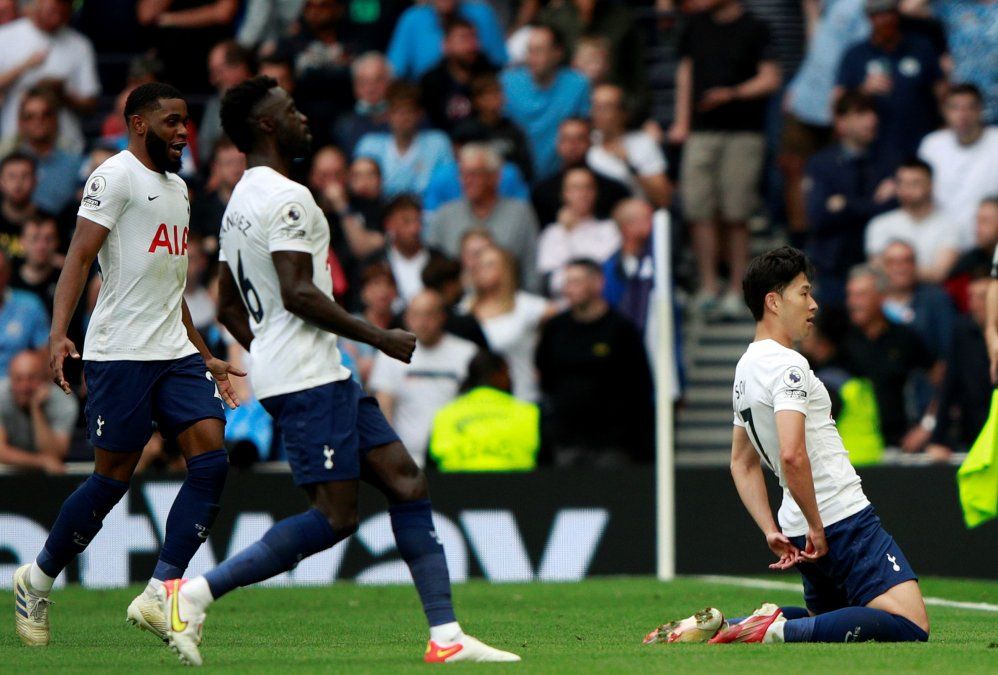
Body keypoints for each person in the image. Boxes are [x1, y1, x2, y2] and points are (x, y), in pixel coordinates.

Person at [160, 75, 519, 666]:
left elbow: (228, 305)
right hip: (307, 376)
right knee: (335, 515)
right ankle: (193, 595)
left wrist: (269, 349)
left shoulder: (237, 203)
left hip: (310, 369)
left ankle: (447, 637)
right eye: (291, 110)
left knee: (405, 480)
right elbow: (300, 293)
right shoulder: (288, 198)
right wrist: (380, 336)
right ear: (267, 125)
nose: (303, 117)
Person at [12, 83, 243, 649]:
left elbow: (171, 282)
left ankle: (160, 591)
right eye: (171, 122)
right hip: (121, 353)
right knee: (112, 480)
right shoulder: (114, 177)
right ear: (138, 125)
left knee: (212, 461)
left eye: (186, 122)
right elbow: (80, 256)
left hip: (174, 351)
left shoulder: (181, 189)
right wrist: (60, 332)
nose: (184, 132)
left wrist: (204, 350)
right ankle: (36, 578)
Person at [648, 246, 929, 645]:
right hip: (837, 515)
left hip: (797, 523)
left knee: (834, 619)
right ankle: (772, 630)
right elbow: (791, 453)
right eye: (803, 293)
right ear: (773, 301)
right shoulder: (788, 365)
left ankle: (725, 626)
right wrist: (817, 525)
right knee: (911, 623)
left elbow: (741, 464)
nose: (813, 305)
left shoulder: (744, 369)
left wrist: (771, 529)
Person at [670, 0, 781, 316]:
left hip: (743, 132)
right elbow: (686, 72)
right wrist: (682, 121)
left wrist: (732, 94)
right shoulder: (695, 25)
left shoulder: (755, 27)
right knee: (698, 209)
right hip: (701, 131)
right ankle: (708, 286)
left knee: (736, 212)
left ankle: (737, 288)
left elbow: (770, 78)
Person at [535, 259, 653, 466]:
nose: (569, 288)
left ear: (598, 283)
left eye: (577, 281)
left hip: (612, 444)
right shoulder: (555, 328)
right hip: (565, 441)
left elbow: (640, 386)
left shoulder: (621, 329)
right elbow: (545, 378)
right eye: (567, 282)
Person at [804, 91, 895, 307]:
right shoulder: (821, 164)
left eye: (873, 113)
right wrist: (872, 205)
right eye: (861, 113)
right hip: (833, 266)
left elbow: (893, 209)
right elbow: (818, 216)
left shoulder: (889, 161)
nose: (872, 120)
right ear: (841, 122)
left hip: (879, 266)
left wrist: (844, 205)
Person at [369, 289, 478, 467]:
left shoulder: (467, 353)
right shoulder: (390, 355)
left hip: (455, 458)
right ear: (407, 318)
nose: (422, 322)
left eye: (429, 314)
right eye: (416, 315)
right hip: (406, 460)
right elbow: (384, 409)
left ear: (442, 316)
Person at [834, 0, 944, 164]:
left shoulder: (921, 47)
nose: (884, 20)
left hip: (920, 141)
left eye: (888, 13)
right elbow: (838, 104)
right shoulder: (855, 55)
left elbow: (941, 91)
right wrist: (863, 90)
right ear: (869, 18)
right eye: (877, 15)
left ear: (897, 14)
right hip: (874, 149)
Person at [841, 264, 937, 450]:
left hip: (899, 445)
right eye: (850, 295)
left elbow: (941, 379)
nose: (852, 302)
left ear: (881, 297)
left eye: (861, 295)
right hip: (850, 448)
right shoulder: (840, 339)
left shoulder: (905, 338)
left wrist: (927, 426)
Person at [427, 144, 540, 291]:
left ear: (494, 177)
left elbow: (532, 266)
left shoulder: (520, 213)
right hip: (456, 305)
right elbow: (431, 269)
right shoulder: (444, 214)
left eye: (474, 174)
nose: (467, 180)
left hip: (510, 303)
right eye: (463, 174)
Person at [0, 0, 100, 154]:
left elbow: (91, 102)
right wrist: (25, 66)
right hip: (15, 145)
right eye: (53, 6)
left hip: (66, 144)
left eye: (64, 7)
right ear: (37, 3)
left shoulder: (80, 44)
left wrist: (62, 93)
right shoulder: (5, 36)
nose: (58, 13)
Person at [459, 245, 550, 402]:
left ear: (506, 269)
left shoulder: (526, 306)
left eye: (490, 264)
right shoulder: (464, 308)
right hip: (476, 402)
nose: (481, 270)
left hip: (521, 397)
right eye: (478, 265)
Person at [500, 24, 590, 181]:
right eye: (530, 51)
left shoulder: (578, 85)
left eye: (540, 50)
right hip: (517, 177)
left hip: (563, 178)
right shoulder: (507, 83)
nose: (532, 57)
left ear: (558, 53)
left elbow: (586, 131)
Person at [429, 350, 539, 471]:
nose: (510, 379)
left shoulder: (445, 414)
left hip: (456, 487)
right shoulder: (528, 413)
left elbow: (429, 468)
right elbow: (547, 466)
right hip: (518, 487)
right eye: (507, 373)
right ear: (498, 375)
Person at [918, 84, 998, 250]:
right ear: (945, 112)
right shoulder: (932, 144)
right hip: (941, 243)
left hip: (989, 245)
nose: (963, 115)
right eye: (955, 108)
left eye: (969, 108)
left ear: (980, 110)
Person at [926, 274, 991, 460]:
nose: (976, 304)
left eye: (983, 297)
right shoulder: (962, 331)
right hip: (974, 431)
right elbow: (949, 385)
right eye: (971, 297)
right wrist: (938, 439)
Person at [864, 159, 959, 283]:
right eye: (901, 183)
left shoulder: (949, 226)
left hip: (929, 292)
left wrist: (895, 269)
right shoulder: (879, 224)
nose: (907, 188)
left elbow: (939, 273)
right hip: (888, 292)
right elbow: (876, 269)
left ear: (931, 185)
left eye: (914, 183)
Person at [354, 81, 453, 197]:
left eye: (408, 111)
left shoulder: (438, 144)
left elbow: (448, 187)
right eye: (397, 112)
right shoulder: (369, 146)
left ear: (419, 114)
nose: (403, 118)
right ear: (387, 114)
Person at [531, 116, 629, 228]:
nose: (573, 145)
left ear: (590, 143)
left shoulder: (614, 191)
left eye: (579, 139)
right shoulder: (541, 193)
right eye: (567, 139)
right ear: (558, 144)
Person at [537, 167, 620, 297]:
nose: (582, 193)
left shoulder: (610, 229)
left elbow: (607, 272)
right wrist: (567, 233)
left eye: (588, 187)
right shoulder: (552, 233)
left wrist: (574, 279)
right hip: (564, 305)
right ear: (565, 194)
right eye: (575, 188)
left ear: (595, 193)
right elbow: (549, 279)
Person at [586, 82, 671, 208]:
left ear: (624, 113)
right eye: (595, 106)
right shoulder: (585, 141)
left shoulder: (643, 143)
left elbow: (664, 198)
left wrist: (629, 164)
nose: (597, 113)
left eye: (605, 108)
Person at [0, 86, 82, 216]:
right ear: (21, 123)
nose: (38, 121)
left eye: (46, 114)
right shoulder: (6, 161)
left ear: (55, 119)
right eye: (30, 116)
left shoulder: (75, 163)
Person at [387, 0, 506, 81]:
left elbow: (500, 65)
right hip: (427, 101)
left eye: (471, 36)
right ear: (445, 45)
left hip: (476, 97)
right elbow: (394, 71)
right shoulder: (412, 19)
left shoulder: (482, 14)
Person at [0, 349, 76, 472]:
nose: (24, 386)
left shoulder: (64, 403)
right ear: (10, 378)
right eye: (18, 378)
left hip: (50, 481)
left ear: (45, 379)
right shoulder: (1, 395)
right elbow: (1, 451)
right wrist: (41, 461)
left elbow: (55, 455)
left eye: (31, 378)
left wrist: (36, 409)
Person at [419, 16, 498, 131]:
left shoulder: (491, 74)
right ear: (446, 45)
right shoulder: (431, 82)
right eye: (464, 38)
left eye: (474, 37)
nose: (471, 45)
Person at [452, 73, 534, 183]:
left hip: (507, 188)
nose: (497, 99)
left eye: (499, 93)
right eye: (490, 95)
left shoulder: (514, 131)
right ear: (477, 101)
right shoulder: (465, 132)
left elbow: (526, 171)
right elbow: (456, 168)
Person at [370, 195, 448, 306]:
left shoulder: (439, 260)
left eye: (418, 221)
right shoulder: (375, 262)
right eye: (406, 222)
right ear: (389, 224)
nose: (414, 228)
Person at [198, 40, 254, 167]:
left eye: (218, 72)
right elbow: (205, 154)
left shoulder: (268, 101)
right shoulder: (214, 105)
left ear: (240, 68)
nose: (213, 80)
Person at [190, 137, 245, 254]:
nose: (237, 169)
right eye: (229, 163)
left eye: (241, 161)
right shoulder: (201, 207)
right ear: (216, 167)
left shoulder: (258, 202)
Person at [331, 51, 392, 157]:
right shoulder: (343, 126)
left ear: (390, 83)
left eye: (378, 81)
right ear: (355, 87)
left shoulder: (406, 118)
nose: (371, 88)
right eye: (364, 82)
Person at [420, 256, 488, 348]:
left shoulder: (417, 323)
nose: (462, 285)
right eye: (459, 281)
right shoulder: (464, 324)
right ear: (449, 286)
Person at [0, 249, 48, 374]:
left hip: (20, 385)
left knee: (62, 394)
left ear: (8, 273)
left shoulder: (30, 304)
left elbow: (45, 356)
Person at [0, 152, 40, 258]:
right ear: (1, 181)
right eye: (11, 176)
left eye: (25, 176)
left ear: (35, 181)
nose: (18, 183)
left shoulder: (51, 223)